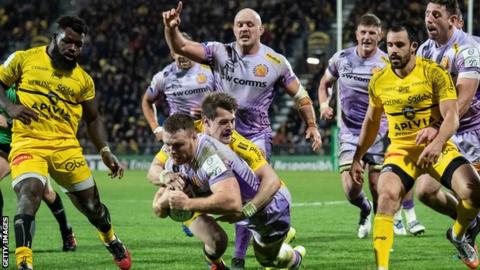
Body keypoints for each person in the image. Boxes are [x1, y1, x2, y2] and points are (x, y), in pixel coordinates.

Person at [163, 3, 321, 268]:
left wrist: (312, 124)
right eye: (240, 24)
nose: (244, 28)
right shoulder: (219, 52)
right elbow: (181, 47)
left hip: (255, 135)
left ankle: (240, 254)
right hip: (218, 132)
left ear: (261, 29)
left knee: (252, 194)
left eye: (250, 24)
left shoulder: (275, 62)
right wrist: (171, 28)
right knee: (217, 182)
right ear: (234, 29)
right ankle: (244, 241)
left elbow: (301, 95)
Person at [0, 16, 130, 270]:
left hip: (66, 147)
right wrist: (10, 106)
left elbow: (93, 119)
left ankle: (111, 239)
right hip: (29, 142)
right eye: (68, 41)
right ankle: (24, 262)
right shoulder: (23, 59)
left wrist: (105, 150)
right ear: (54, 38)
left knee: (93, 208)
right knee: (29, 193)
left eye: (79, 44)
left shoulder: (83, 80)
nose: (73, 48)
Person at [350, 24, 480, 270]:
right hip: (401, 152)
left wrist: (438, 142)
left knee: (474, 193)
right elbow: (371, 121)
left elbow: (451, 116)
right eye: (389, 45)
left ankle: (459, 235)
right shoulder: (379, 80)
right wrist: (358, 157)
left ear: (413, 47)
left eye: (399, 45)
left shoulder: (433, 72)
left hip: (438, 147)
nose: (394, 51)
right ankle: (382, 267)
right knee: (386, 196)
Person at [318, 13, 425, 239]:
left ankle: (383, 238)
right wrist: (324, 104)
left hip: (380, 132)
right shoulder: (341, 58)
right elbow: (325, 83)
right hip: (349, 132)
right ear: (357, 34)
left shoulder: (388, 62)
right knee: (350, 190)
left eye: (372, 33)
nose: (367, 37)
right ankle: (364, 208)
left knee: (379, 188)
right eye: (363, 32)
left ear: (380, 36)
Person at [157, 113, 304, 269]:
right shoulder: (176, 152)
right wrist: (164, 177)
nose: (172, 151)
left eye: (231, 121)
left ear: (194, 136)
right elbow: (157, 205)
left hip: (268, 210)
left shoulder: (211, 155)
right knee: (220, 239)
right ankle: (277, 240)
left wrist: (187, 204)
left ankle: (296, 256)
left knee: (269, 261)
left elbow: (234, 202)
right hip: (245, 211)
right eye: (168, 145)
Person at [413, 0, 480, 251]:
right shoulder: (425, 51)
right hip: (446, 131)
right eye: (427, 13)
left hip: (474, 131)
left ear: (452, 20)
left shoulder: (468, 49)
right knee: (425, 192)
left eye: (436, 14)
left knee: (473, 193)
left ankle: (465, 227)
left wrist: (438, 128)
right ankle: (469, 224)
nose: (429, 19)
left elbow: (463, 101)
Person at [0, 85, 77, 252]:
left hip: (27, 145)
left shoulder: (19, 89)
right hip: (3, 147)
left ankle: (66, 231)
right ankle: (2, 235)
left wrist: (9, 121)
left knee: (47, 194)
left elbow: (39, 115)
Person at [141, 32, 215, 142]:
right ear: (172, 54)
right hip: (177, 135)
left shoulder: (210, 69)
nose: (182, 56)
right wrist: (156, 128)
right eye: (177, 51)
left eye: (184, 51)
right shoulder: (163, 77)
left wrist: (211, 109)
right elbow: (146, 101)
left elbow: (228, 97)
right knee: (157, 160)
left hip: (209, 132)